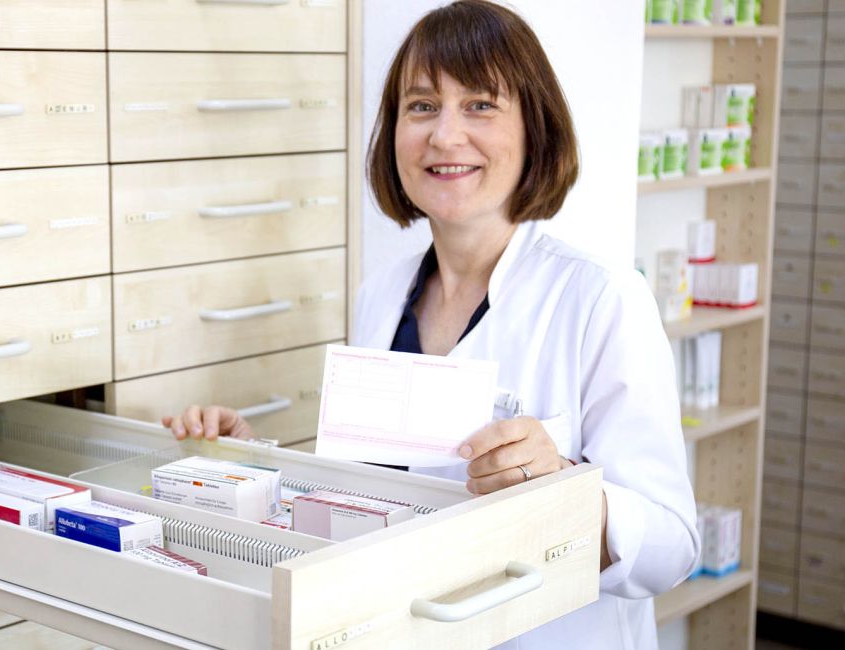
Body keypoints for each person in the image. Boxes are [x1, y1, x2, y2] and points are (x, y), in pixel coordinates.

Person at [163, 2, 698, 648]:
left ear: (536, 130)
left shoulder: (601, 299)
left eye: (479, 105)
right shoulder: (381, 298)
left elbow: (673, 544)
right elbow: (363, 496)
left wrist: (562, 487)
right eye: (421, 107)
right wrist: (254, 466)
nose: (444, 136)